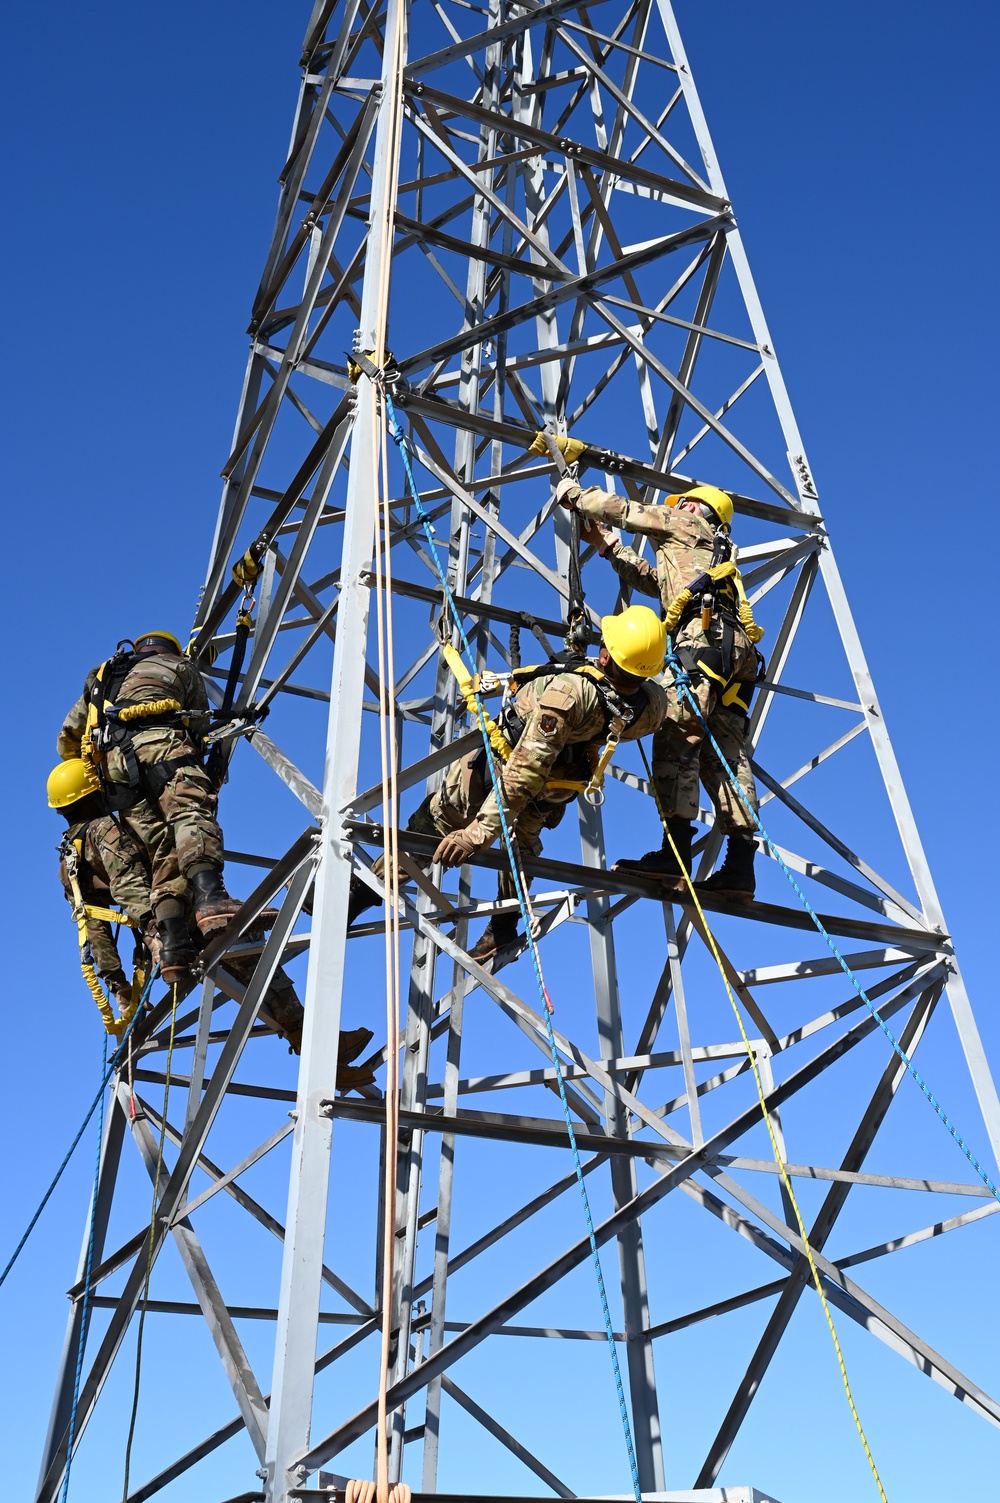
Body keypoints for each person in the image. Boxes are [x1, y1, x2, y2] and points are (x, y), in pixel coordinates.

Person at [349, 606, 670, 959]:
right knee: (522, 849)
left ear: (607, 655)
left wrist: (477, 834)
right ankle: (502, 928)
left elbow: (524, 772)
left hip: (502, 774)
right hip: (555, 790)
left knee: (432, 826)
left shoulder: (569, 694)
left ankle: (355, 898)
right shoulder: (651, 706)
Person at [47, 759, 376, 1084]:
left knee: (253, 968)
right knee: (256, 958)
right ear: (94, 792)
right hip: (177, 920)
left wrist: (119, 988)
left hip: (164, 935)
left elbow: (94, 930)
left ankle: (322, 1052)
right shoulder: (105, 829)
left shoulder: (69, 864)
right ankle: (315, 1043)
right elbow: (129, 885)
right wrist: (158, 929)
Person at [556, 478, 764, 902]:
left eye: (682, 504)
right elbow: (658, 581)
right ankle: (740, 868)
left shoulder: (681, 522)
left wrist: (576, 495)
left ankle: (675, 857)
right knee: (724, 752)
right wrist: (609, 547)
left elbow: (625, 509)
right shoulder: (712, 553)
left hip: (703, 644)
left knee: (676, 731)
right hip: (734, 653)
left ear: (692, 507)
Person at [58, 629, 244, 974]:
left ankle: (174, 945)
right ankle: (211, 900)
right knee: (190, 813)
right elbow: (198, 725)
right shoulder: (179, 666)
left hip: (115, 773)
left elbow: (67, 738)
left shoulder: (102, 677)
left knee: (162, 849)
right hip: (160, 744)